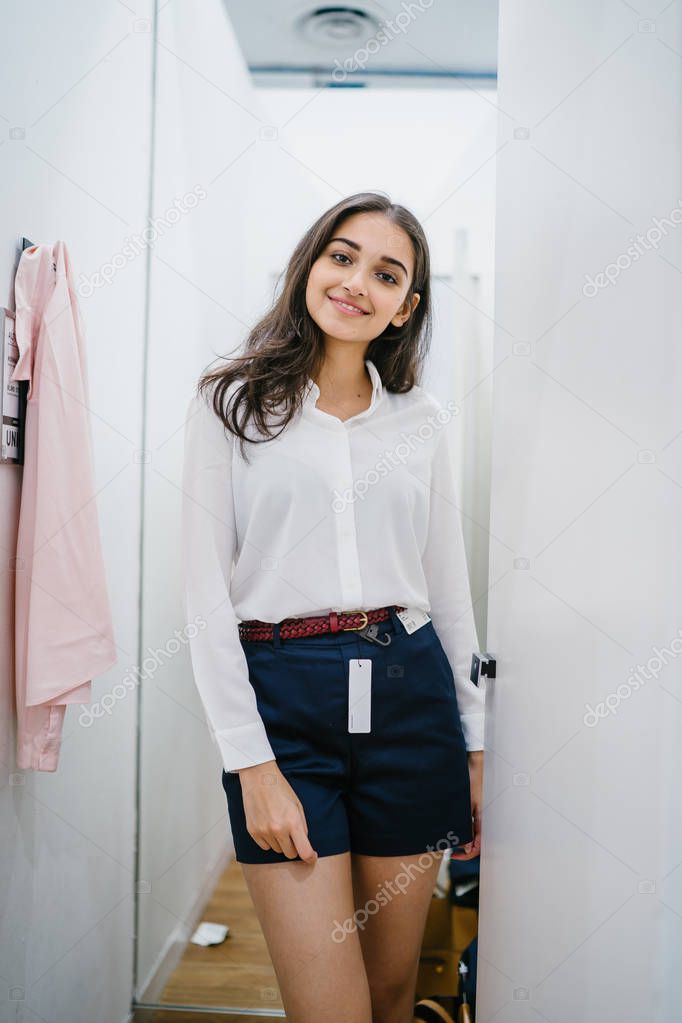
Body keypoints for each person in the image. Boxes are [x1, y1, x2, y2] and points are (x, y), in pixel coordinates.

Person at [181, 191, 485, 1023]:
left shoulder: (421, 422)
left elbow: (448, 590)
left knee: (391, 994)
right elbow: (204, 600)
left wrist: (477, 743)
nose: (357, 281)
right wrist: (253, 766)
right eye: (342, 256)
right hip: (286, 704)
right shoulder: (230, 404)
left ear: (405, 307)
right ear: (311, 263)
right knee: (330, 1009)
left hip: (409, 696)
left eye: (386, 273)